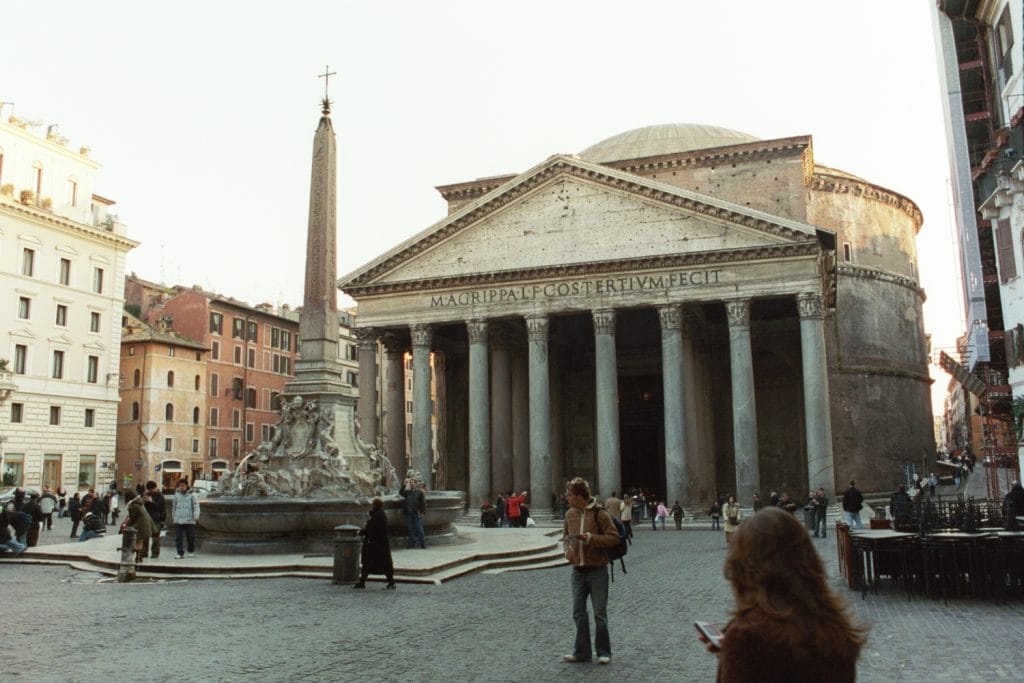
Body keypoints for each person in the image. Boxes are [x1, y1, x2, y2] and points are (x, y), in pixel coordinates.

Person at [697, 506, 865, 682]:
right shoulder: (834, 626)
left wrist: (736, 653)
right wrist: (732, 654)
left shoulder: (749, 636)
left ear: (744, 566)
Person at [561, 477, 619, 665]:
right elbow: (566, 537)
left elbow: (613, 538)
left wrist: (590, 539)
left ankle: (603, 651)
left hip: (597, 570)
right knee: (578, 612)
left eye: (570, 495)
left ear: (579, 496)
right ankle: (581, 652)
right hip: (578, 570)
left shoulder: (600, 514)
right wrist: (568, 551)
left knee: (599, 613)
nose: (567, 498)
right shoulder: (570, 514)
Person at [353, 498, 396, 589]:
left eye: (373, 505)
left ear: (376, 505)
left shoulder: (378, 516)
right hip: (380, 544)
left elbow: (372, 529)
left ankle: (362, 582)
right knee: (383, 565)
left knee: (369, 564)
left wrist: (361, 532)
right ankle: (390, 582)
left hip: (376, 544)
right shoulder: (380, 514)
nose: (372, 506)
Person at [125, 492, 160, 564]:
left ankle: (138, 557)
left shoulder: (133, 505)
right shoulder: (139, 503)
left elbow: (132, 517)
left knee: (137, 541)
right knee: (140, 541)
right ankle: (139, 557)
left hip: (140, 525)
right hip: (146, 524)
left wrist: (126, 525)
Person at [171, 478, 200, 558]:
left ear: (186, 485)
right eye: (180, 486)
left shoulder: (193, 494)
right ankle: (179, 553)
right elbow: (174, 506)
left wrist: (196, 516)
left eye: (183, 486)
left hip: (189, 519)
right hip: (178, 518)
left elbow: (196, 506)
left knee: (190, 537)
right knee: (178, 537)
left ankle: (191, 551)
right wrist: (173, 516)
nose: (181, 487)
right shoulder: (177, 494)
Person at [399, 478, 427, 549]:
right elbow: (401, 492)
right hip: (409, 513)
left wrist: (423, 512)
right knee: (410, 529)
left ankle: (422, 543)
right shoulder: (407, 492)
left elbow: (423, 503)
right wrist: (404, 484)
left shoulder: (420, 492)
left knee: (419, 528)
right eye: (410, 482)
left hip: (416, 513)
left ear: (416, 483)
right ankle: (412, 543)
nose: (411, 484)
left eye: (412, 482)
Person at [143, 480, 166, 558]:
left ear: (155, 488)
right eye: (149, 490)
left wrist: (151, 501)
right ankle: (144, 552)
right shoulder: (147, 494)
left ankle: (155, 553)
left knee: (155, 537)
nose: (150, 491)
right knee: (145, 536)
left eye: (151, 490)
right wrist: (144, 502)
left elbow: (159, 507)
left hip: (157, 519)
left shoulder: (160, 496)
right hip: (147, 518)